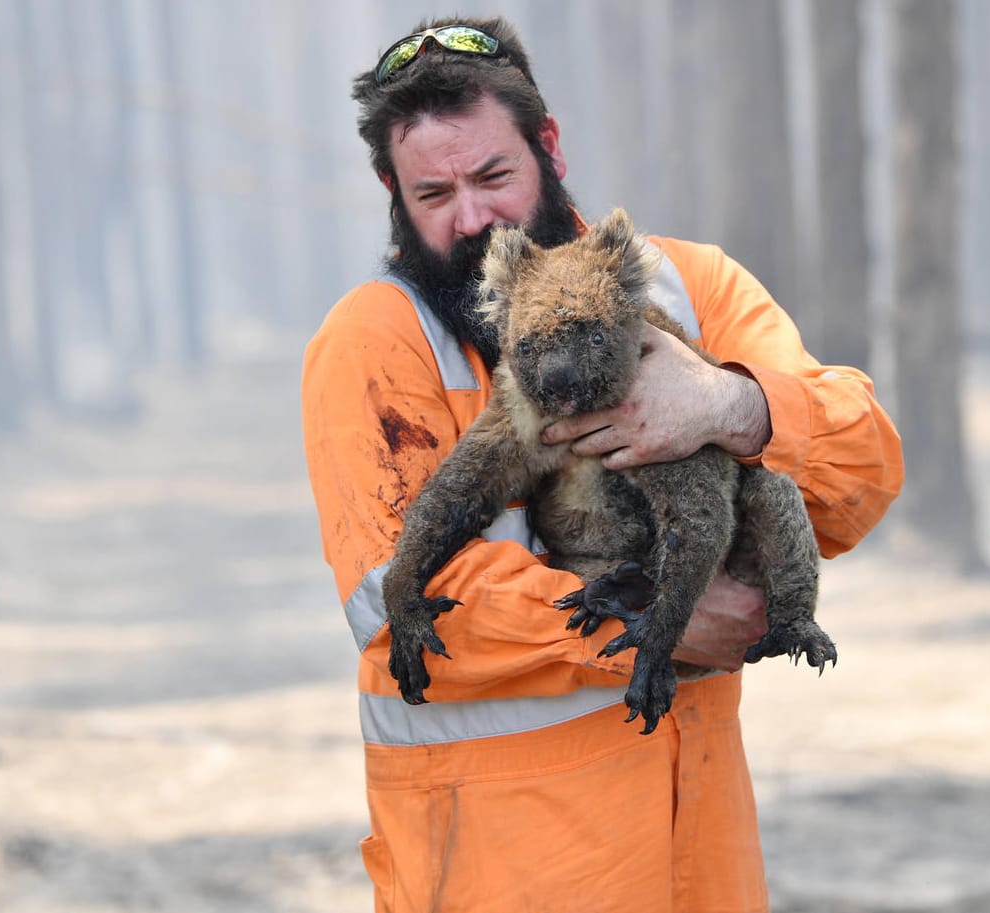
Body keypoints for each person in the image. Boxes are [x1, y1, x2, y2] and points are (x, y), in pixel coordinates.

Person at [302, 16, 903, 912]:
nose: (473, 217)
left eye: (494, 175)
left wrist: (733, 405)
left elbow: (862, 470)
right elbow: (400, 600)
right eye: (434, 193)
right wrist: (649, 625)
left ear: (549, 146)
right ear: (392, 191)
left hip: (700, 865)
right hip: (496, 877)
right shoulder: (377, 342)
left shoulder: (685, 289)